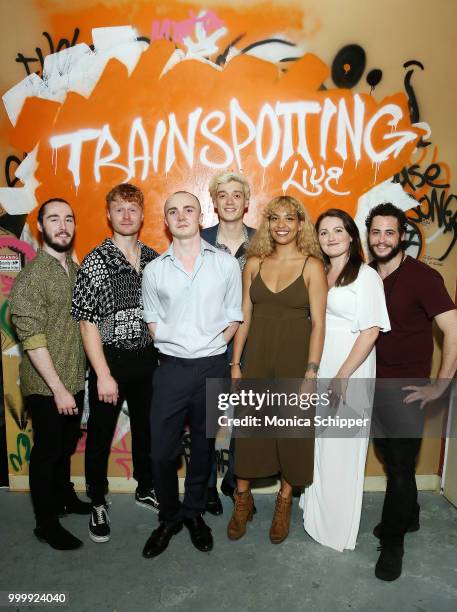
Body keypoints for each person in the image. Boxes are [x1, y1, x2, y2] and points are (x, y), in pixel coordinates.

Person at [141, 190, 242, 558]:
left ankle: (194, 513)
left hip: (212, 367)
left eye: (188, 210)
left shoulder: (226, 264)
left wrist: (210, 347)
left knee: (203, 449)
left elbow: (235, 315)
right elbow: (151, 321)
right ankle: (168, 518)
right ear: (165, 221)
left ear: (201, 217)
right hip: (170, 369)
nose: (181, 216)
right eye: (173, 211)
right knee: (161, 453)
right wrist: (180, 346)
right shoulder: (153, 270)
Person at [227, 195, 327, 544]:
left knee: (293, 435)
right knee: (249, 431)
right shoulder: (254, 261)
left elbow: (318, 324)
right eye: (274, 218)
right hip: (256, 359)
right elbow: (244, 316)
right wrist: (236, 364)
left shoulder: (313, 265)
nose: (282, 224)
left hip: (295, 361)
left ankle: (284, 502)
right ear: (267, 223)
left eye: (290, 218)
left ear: (301, 224)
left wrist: (311, 374)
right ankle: (243, 500)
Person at [366, 202, 457, 581]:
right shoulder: (366, 276)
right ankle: (411, 514)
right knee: (389, 456)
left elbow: (452, 329)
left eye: (390, 232)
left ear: (402, 235)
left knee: (401, 467)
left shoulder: (423, 277)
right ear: (368, 236)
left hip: (406, 387)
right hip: (370, 381)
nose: (383, 239)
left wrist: (440, 383)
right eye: (376, 232)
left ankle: (392, 542)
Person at [72, 184, 159, 543]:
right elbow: (86, 321)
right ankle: (97, 500)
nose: (126, 216)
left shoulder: (155, 258)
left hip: (149, 360)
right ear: (109, 215)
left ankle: (145, 487)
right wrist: (103, 374)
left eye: (132, 209)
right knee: (101, 435)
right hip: (111, 363)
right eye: (119, 209)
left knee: (146, 430)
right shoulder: (95, 261)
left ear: (142, 214)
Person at [299, 208, 390, 551]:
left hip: (349, 369)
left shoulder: (365, 277)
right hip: (322, 363)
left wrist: (341, 375)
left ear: (352, 235)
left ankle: (335, 529)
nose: (331, 237)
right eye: (324, 232)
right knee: (320, 443)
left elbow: (370, 331)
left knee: (341, 447)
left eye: (338, 230)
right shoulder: (322, 271)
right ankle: (316, 514)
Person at [9, 198, 89, 550]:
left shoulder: (71, 268)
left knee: (64, 446)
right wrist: (58, 389)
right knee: (46, 452)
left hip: (73, 379)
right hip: (48, 386)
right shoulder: (32, 277)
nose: (63, 225)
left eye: (68, 219)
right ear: (40, 226)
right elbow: (33, 339)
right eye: (53, 219)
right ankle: (46, 523)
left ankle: (64, 496)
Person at [201, 171, 256, 515]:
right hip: (210, 339)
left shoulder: (265, 240)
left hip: (254, 339)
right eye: (224, 195)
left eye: (238, 195)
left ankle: (235, 478)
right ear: (215, 202)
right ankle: (206, 485)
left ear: (247, 202)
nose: (231, 201)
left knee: (247, 417)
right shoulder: (198, 237)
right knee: (208, 415)